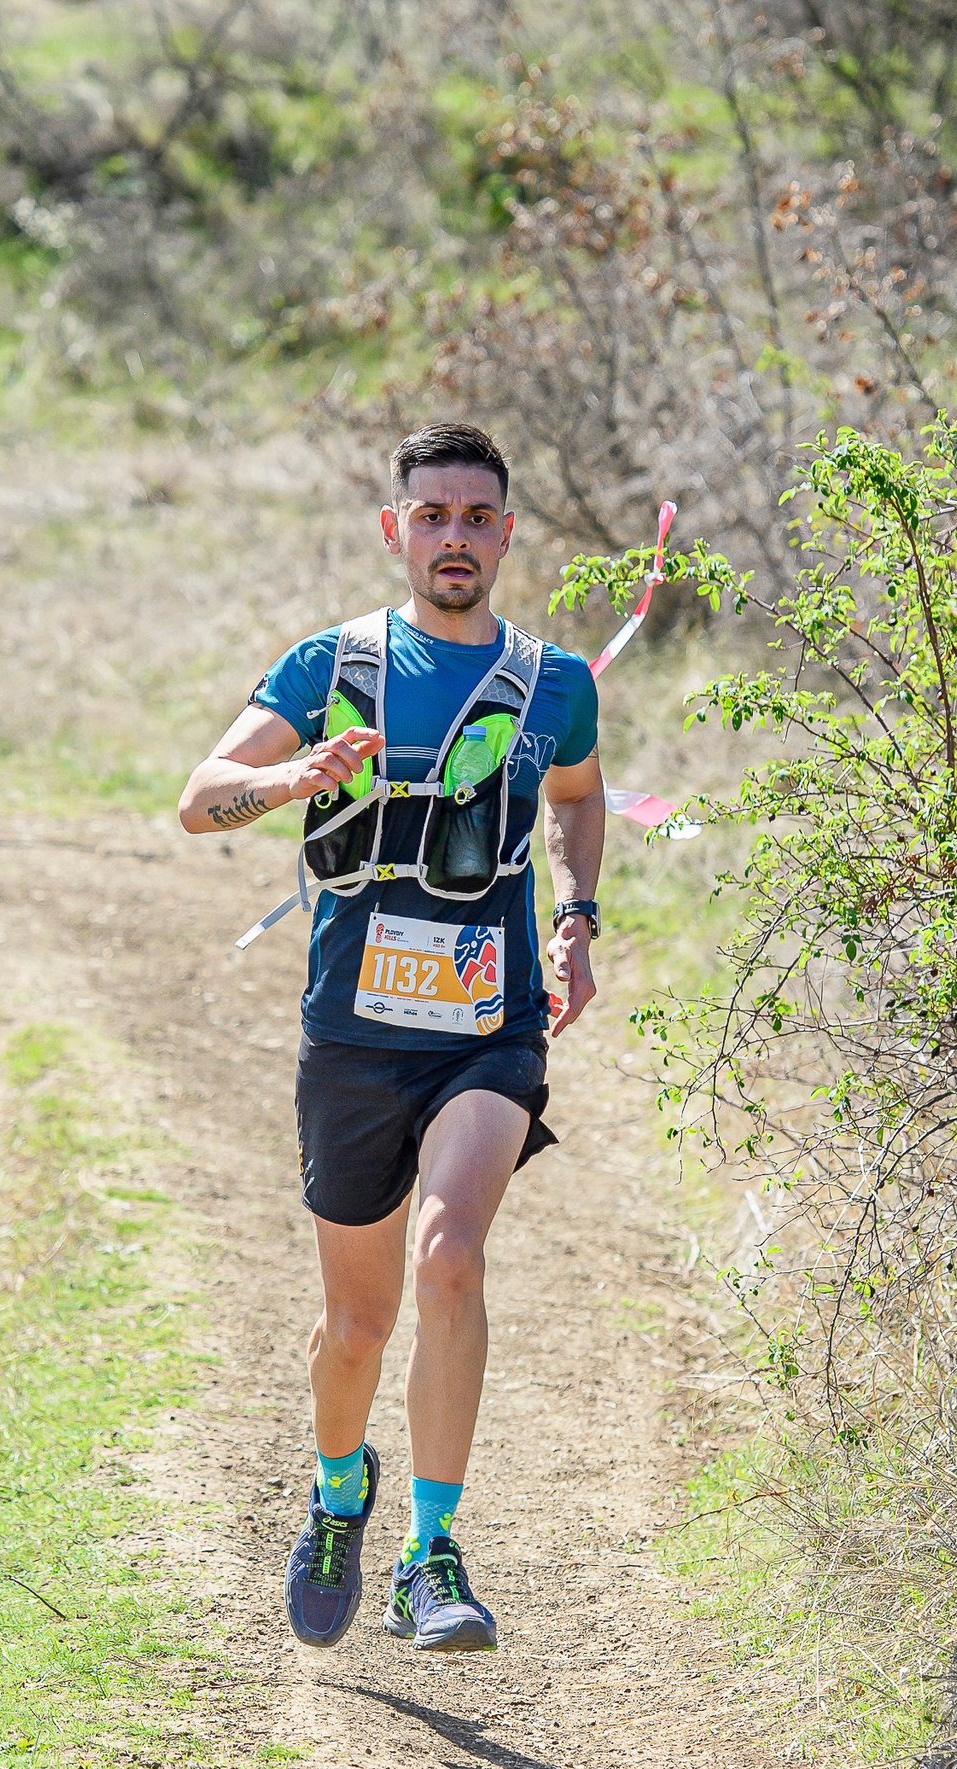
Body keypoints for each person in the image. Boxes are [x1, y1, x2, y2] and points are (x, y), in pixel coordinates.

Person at [178, 422, 607, 1653]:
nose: (455, 538)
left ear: (507, 533)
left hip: (488, 1029)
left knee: (451, 1258)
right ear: (394, 530)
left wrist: (576, 919)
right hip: (353, 1036)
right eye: (433, 516)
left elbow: (575, 800)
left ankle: (432, 1550)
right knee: (354, 1332)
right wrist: (296, 777)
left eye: (477, 517)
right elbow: (200, 801)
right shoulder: (332, 664)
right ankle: (337, 1490)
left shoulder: (553, 683)